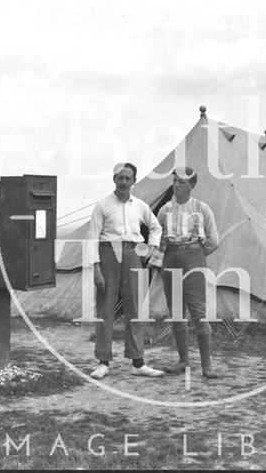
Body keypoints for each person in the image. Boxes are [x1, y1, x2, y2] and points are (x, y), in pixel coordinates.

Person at [87, 162, 165, 379]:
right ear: (114, 180)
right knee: (106, 309)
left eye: (127, 178)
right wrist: (96, 269)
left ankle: (138, 362)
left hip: (132, 254)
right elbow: (92, 237)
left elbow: (156, 227)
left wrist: (152, 248)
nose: (123, 182)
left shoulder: (140, 206)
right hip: (107, 255)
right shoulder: (102, 206)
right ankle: (103, 362)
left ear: (134, 181)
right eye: (119, 178)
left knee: (135, 308)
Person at [157, 166, 220, 379]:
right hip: (171, 258)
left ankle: (207, 366)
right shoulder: (165, 210)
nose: (176, 185)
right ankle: (183, 361)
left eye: (181, 182)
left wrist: (196, 254)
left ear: (192, 185)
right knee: (176, 313)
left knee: (198, 313)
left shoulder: (202, 209)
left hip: (194, 258)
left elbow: (213, 240)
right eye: (174, 181)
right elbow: (159, 239)